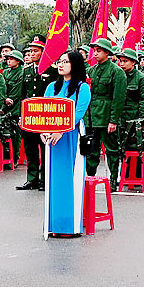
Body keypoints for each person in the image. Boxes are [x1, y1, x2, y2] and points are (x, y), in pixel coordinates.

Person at [42, 51, 91, 237]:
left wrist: (61, 130)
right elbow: (43, 111)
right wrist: (44, 131)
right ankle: (54, 226)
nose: (60, 65)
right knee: (54, 180)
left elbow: (79, 112)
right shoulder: (51, 87)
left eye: (65, 62)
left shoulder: (82, 88)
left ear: (75, 65)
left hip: (72, 137)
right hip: (52, 139)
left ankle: (71, 227)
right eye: (59, 61)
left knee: (71, 180)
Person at [84, 38, 127, 189]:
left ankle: (113, 180)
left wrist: (113, 120)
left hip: (107, 115)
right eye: (94, 50)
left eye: (99, 51)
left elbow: (118, 98)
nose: (95, 53)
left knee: (112, 150)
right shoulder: (91, 70)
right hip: (91, 116)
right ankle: (89, 179)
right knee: (91, 151)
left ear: (107, 53)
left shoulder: (117, 72)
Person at [18, 35, 57, 190]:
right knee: (30, 147)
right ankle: (32, 178)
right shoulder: (27, 71)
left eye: (36, 51)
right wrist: (22, 115)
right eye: (31, 51)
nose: (32, 53)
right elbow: (23, 95)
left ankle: (44, 179)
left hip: (45, 116)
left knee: (44, 147)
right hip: (30, 116)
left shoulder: (52, 71)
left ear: (43, 52)